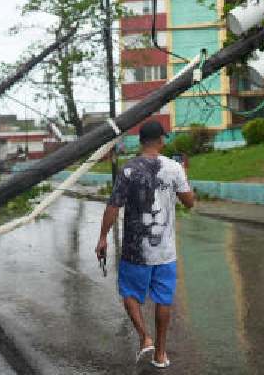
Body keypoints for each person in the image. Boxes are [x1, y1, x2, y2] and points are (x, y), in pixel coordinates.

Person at [95, 120, 194, 369]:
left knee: (129, 293)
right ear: (161, 140)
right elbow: (190, 203)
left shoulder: (128, 170)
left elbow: (113, 207)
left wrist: (103, 237)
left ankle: (144, 337)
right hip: (165, 252)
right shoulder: (174, 168)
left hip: (135, 251)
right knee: (163, 300)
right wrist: (186, 175)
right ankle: (160, 354)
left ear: (140, 141)